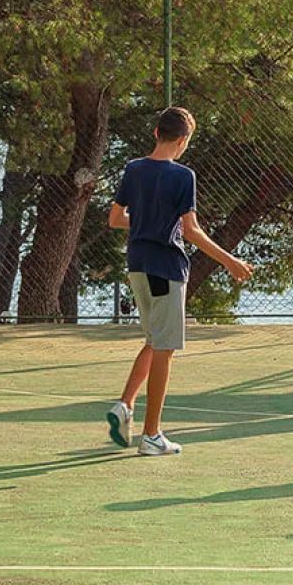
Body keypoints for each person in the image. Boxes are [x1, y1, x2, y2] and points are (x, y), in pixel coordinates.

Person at [105, 107, 253, 455]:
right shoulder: (183, 176)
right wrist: (230, 261)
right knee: (165, 348)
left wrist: (146, 221)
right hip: (165, 268)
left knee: (154, 339)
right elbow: (191, 230)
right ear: (183, 141)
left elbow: (115, 219)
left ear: (157, 133)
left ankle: (125, 405)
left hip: (137, 266)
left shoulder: (133, 169)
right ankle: (151, 435)